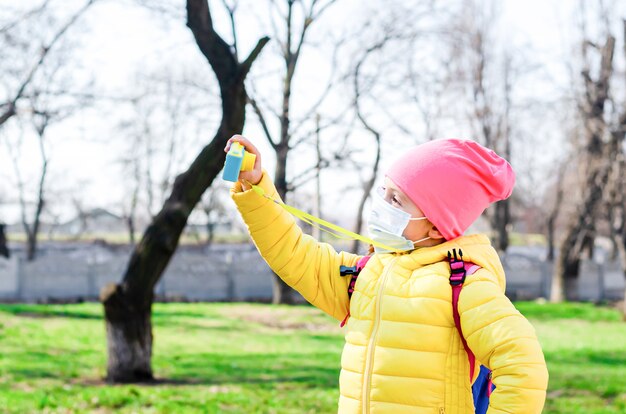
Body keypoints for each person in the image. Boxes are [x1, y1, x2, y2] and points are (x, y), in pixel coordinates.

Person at [226, 135, 549, 414]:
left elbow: (523, 365)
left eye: (396, 199)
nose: (381, 205)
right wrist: (255, 188)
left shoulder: (465, 283)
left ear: (436, 224)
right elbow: (293, 253)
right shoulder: (367, 276)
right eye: (384, 192)